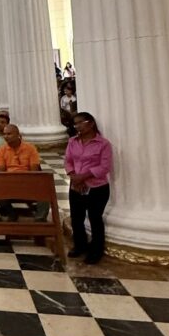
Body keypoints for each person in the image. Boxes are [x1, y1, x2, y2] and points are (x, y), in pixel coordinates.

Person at [65, 112, 113, 264]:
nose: (78, 126)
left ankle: (96, 250)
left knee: (95, 218)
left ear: (91, 123)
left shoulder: (103, 144)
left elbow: (104, 167)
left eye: (81, 122)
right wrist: (73, 176)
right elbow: (68, 161)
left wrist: (83, 177)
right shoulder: (73, 141)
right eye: (75, 123)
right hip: (76, 186)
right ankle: (80, 245)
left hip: (97, 187)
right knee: (77, 217)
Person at [0, 125, 43, 221]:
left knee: (45, 193)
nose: (6, 136)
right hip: (9, 182)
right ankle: (12, 214)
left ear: (18, 135)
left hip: (28, 181)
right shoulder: (1, 150)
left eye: (9, 134)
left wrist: (24, 182)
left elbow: (34, 171)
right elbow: (2, 172)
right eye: (4, 134)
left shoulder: (30, 148)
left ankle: (40, 219)